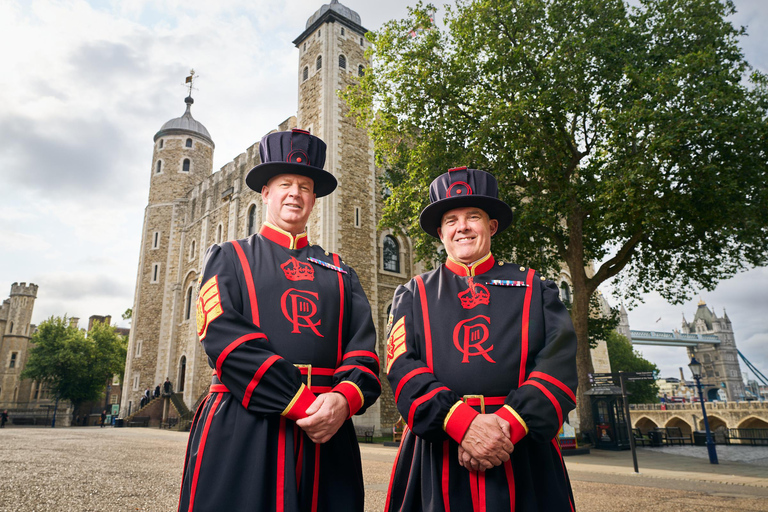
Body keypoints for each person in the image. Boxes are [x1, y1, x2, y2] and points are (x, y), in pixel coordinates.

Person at [178, 129, 381, 511]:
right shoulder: (228, 257)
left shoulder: (340, 271)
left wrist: (343, 399)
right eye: (285, 183)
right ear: (265, 193)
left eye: (305, 186)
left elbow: (364, 352)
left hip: (329, 431)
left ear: (314, 199)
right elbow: (223, 339)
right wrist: (302, 403)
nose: (295, 193)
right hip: (245, 425)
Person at [385, 167, 578, 511]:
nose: (462, 227)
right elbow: (401, 367)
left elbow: (558, 367)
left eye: (473, 216)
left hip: (521, 451)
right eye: (451, 220)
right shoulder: (413, 294)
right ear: (441, 233)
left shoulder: (536, 289)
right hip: (438, 453)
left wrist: (505, 428)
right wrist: (460, 423)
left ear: (491, 226)